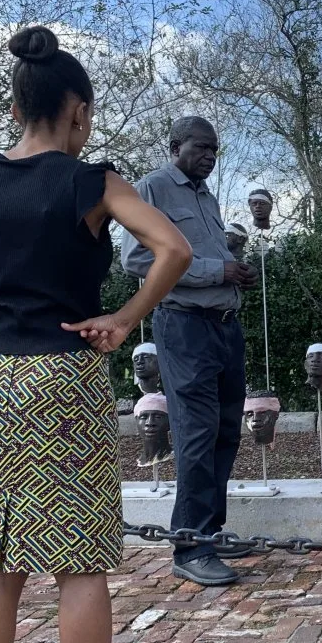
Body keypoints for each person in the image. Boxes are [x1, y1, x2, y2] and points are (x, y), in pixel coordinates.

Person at [0, 26, 191, 643]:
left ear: (16, 105)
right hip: (64, 375)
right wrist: (124, 317)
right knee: (78, 562)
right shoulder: (90, 182)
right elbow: (173, 248)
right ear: (76, 112)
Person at [121, 117, 258, 587]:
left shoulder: (207, 197)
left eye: (215, 150)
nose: (210, 157)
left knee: (225, 432)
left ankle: (210, 533)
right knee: (197, 433)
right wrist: (215, 272)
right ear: (175, 145)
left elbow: (210, 260)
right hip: (183, 328)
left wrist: (234, 273)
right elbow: (136, 259)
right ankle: (190, 545)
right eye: (202, 148)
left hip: (223, 327)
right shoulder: (151, 190)